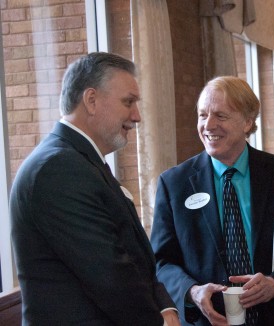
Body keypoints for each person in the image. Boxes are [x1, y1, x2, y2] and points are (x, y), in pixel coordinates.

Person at [9, 52, 180, 326]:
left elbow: (135, 257)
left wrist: (165, 307)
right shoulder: (58, 168)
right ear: (91, 100)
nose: (136, 116)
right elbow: (110, 274)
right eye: (128, 102)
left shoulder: (80, 160)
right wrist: (157, 320)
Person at [150, 76, 274, 326]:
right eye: (202, 115)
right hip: (207, 320)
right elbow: (161, 261)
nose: (208, 125)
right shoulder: (174, 184)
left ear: (247, 122)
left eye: (220, 116)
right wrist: (192, 291)